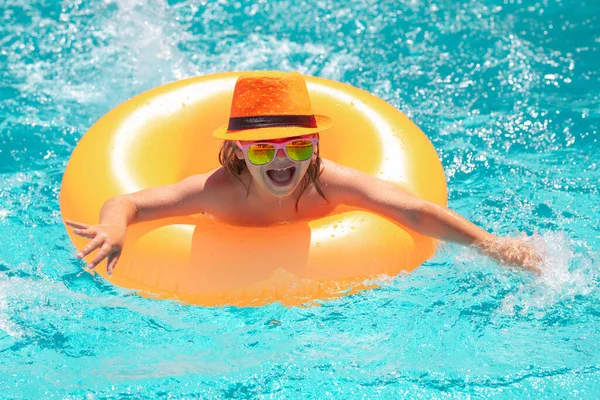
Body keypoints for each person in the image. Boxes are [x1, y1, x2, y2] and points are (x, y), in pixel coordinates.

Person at [65, 71, 542, 276]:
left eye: (296, 145)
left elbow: (414, 211)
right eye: (262, 150)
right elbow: (128, 201)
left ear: (314, 145)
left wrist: (491, 245)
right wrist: (112, 227)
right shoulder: (217, 192)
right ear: (236, 150)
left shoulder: (329, 182)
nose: (281, 160)